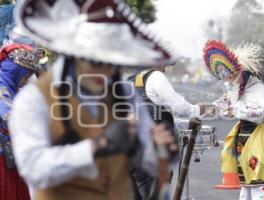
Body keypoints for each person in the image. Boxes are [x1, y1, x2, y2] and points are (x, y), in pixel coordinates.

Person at [9, 0, 178, 200]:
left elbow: (150, 159)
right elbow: (34, 169)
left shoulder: (125, 94)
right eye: (96, 61)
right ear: (73, 53)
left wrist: (161, 150)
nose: (105, 71)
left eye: (112, 63)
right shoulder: (34, 99)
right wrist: (98, 146)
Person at [203, 40, 264, 200]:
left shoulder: (258, 88)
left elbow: (261, 113)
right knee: (246, 189)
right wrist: (199, 110)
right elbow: (222, 104)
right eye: (226, 78)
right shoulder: (236, 86)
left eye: (230, 77)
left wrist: (235, 108)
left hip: (261, 140)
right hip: (246, 141)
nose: (228, 81)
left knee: (259, 187)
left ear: (239, 71)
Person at [130, 65, 205, 199]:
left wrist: (182, 124)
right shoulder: (155, 77)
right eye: (164, 63)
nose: (165, 68)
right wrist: (197, 109)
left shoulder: (130, 79)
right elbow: (180, 107)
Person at [0, 30, 48, 200]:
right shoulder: (2, 89)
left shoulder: (10, 89)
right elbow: (10, 120)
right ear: (16, 71)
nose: (26, 81)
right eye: (26, 75)